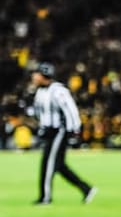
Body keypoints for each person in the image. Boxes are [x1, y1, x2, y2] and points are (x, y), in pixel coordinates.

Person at [29, 62, 96, 205]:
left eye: (36, 74)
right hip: (49, 131)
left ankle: (45, 197)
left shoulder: (58, 90)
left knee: (48, 163)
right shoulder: (40, 91)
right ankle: (86, 189)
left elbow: (70, 110)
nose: (34, 77)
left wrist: (75, 130)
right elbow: (39, 112)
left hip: (59, 130)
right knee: (59, 165)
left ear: (44, 75)